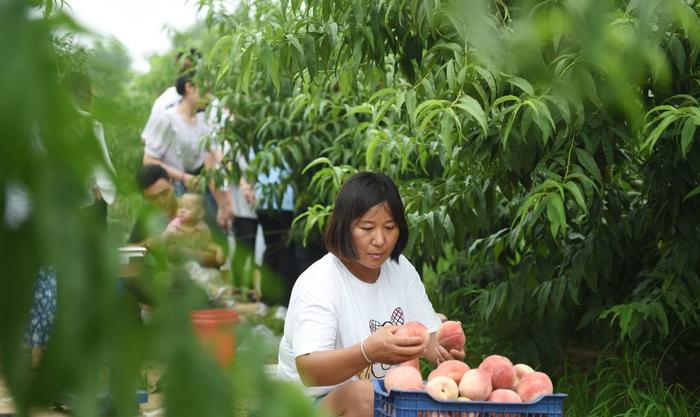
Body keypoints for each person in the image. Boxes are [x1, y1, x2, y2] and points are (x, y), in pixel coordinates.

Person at [276, 172, 465, 417]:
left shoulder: (400, 270)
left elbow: (429, 341)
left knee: (409, 389)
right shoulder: (320, 283)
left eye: (390, 228)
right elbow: (309, 372)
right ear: (344, 227)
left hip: (381, 399)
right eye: (367, 228)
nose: (380, 240)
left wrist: (446, 350)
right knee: (365, 395)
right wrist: (367, 352)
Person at [141, 71, 234, 233]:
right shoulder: (166, 119)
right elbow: (148, 160)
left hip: (196, 186)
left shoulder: (202, 121)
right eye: (206, 90)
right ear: (189, 87)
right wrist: (184, 178)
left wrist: (223, 204)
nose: (210, 96)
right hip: (172, 187)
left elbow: (210, 160)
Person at [140, 48, 201, 144]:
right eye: (183, 69)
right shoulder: (167, 98)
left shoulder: (210, 101)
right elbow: (148, 138)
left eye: (190, 69)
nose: (186, 74)